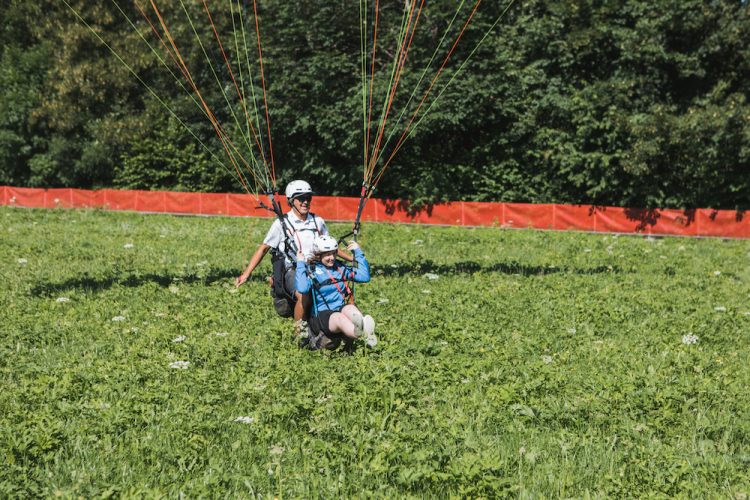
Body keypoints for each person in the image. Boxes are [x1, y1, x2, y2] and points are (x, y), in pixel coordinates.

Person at [235, 180, 338, 336]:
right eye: (301, 198)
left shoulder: (318, 221)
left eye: (308, 198)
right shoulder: (282, 223)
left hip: (318, 267)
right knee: (303, 294)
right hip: (294, 269)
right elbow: (263, 248)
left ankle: (334, 329)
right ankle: (300, 335)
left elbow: (329, 246)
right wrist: (246, 273)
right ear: (291, 200)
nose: (305, 202)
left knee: (338, 288)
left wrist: (352, 258)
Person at [295, 234, 377, 351]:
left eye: (334, 253)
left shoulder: (340, 268)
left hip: (339, 307)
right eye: (328, 254)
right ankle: (361, 333)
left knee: (350, 309)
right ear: (319, 255)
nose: (332, 258)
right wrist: (300, 264)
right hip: (321, 316)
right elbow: (302, 288)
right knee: (339, 318)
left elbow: (364, 277)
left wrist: (358, 253)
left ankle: (363, 327)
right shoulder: (311, 270)